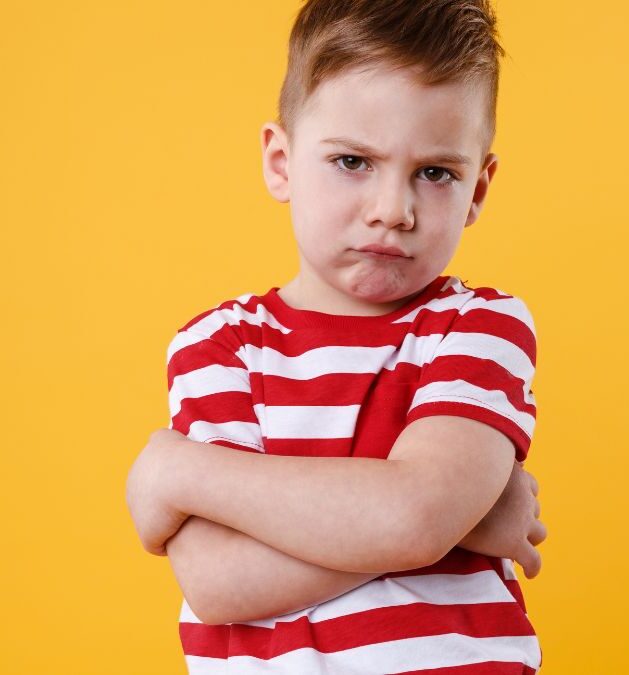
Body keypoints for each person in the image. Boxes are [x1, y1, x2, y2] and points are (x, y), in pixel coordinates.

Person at [125, 0, 548, 672]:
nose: (392, 211)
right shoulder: (218, 347)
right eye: (354, 161)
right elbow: (219, 581)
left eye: (435, 173)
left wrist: (178, 471)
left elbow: (416, 517)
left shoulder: (479, 328)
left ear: (478, 188)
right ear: (282, 162)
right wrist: (456, 526)